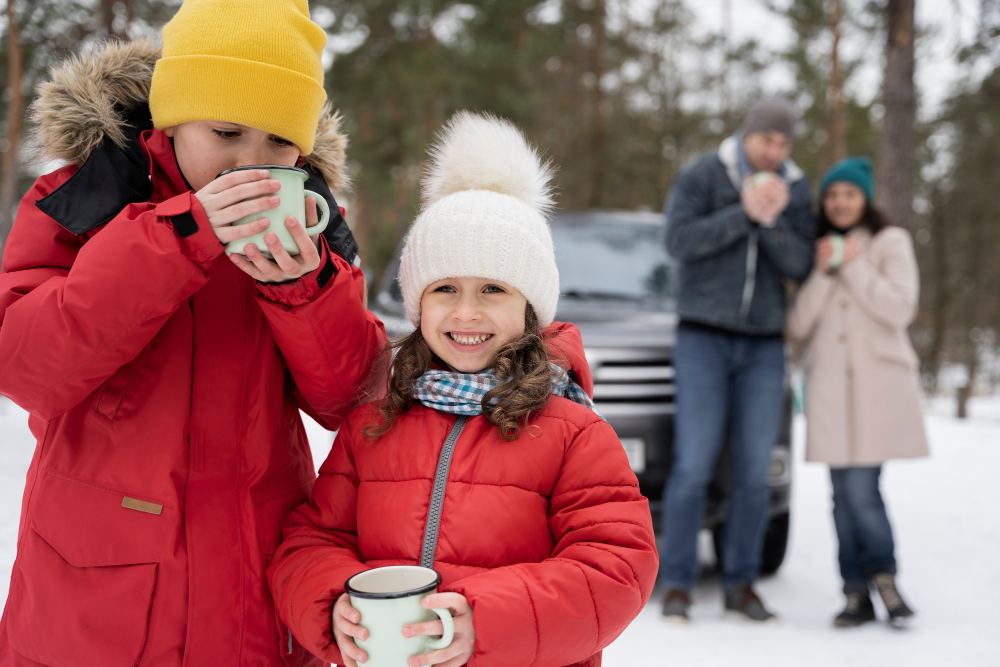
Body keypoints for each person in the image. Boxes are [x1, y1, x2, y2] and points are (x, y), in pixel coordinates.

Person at [0, 2, 386, 665]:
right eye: (228, 132)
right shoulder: (85, 197)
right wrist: (176, 237)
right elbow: (27, 367)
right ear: (173, 117)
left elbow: (352, 399)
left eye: (278, 141)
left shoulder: (313, 224)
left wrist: (304, 287)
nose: (251, 163)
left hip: (252, 587)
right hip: (95, 599)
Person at [267, 112, 658, 667]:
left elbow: (616, 569)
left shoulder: (574, 433)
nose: (467, 312)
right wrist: (332, 602)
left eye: (493, 289)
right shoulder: (374, 424)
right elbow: (310, 542)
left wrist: (485, 622)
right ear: (417, 304)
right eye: (445, 288)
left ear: (529, 307)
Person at [660, 98, 815, 623]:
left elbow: (800, 261)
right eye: (766, 140)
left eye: (783, 143)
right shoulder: (705, 174)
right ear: (747, 136)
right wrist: (742, 214)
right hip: (702, 336)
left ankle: (741, 582)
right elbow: (678, 240)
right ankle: (678, 582)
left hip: (765, 343)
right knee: (693, 463)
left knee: (755, 468)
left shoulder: (796, 187)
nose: (774, 151)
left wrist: (770, 222)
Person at [787, 157, 927, 628]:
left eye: (849, 193)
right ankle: (854, 593)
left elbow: (899, 308)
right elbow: (798, 324)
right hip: (829, 388)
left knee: (861, 490)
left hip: (877, 388)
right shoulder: (818, 250)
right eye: (832, 195)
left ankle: (884, 578)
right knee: (839, 497)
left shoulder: (891, 241)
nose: (840, 202)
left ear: (865, 197)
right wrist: (827, 272)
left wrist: (853, 265)